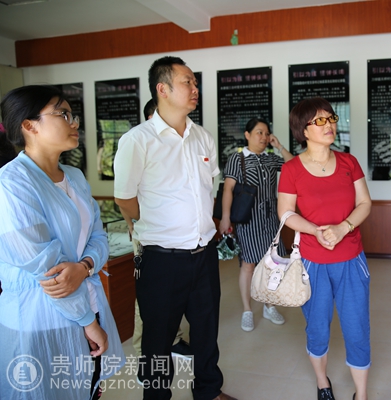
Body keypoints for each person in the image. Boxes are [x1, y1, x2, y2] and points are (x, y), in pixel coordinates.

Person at [114, 56, 236, 400]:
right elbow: (125, 199)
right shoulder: (138, 140)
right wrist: (152, 222)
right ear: (162, 89)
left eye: (195, 82)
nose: (195, 88)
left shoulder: (202, 137)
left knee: (206, 331)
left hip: (203, 254)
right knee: (157, 338)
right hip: (161, 259)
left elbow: (209, 189)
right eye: (187, 82)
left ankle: (209, 391)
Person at [0, 85, 125, 400]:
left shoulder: (75, 176)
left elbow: (98, 236)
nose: (74, 123)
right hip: (41, 316)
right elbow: (47, 268)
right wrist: (87, 322)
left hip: (88, 302)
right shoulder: (11, 183)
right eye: (63, 114)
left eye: (73, 115)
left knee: (87, 387)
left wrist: (85, 267)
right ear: (29, 125)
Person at [278, 97, 372, 400]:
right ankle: (322, 383)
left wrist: (343, 227)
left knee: (357, 328)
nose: (329, 124)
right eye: (319, 120)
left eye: (331, 118)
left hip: (351, 260)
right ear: (303, 130)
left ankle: (361, 394)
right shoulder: (291, 169)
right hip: (312, 263)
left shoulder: (349, 162)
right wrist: (315, 231)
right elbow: (286, 213)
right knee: (317, 328)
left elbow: (365, 203)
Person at [129, 98, 192, 359]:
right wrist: (137, 224)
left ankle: (173, 339)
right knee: (149, 296)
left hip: (177, 238)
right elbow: (125, 196)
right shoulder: (137, 144)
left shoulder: (179, 145)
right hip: (149, 236)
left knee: (174, 291)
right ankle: (142, 349)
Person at [218, 117, 294, 332]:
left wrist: (279, 147)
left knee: (272, 264)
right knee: (248, 265)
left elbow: (294, 166)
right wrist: (225, 217)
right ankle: (247, 310)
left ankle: (269, 306)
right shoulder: (238, 158)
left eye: (266, 133)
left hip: (271, 220)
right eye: (259, 132)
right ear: (247, 135)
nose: (263, 137)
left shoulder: (270, 159)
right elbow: (228, 189)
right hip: (248, 220)